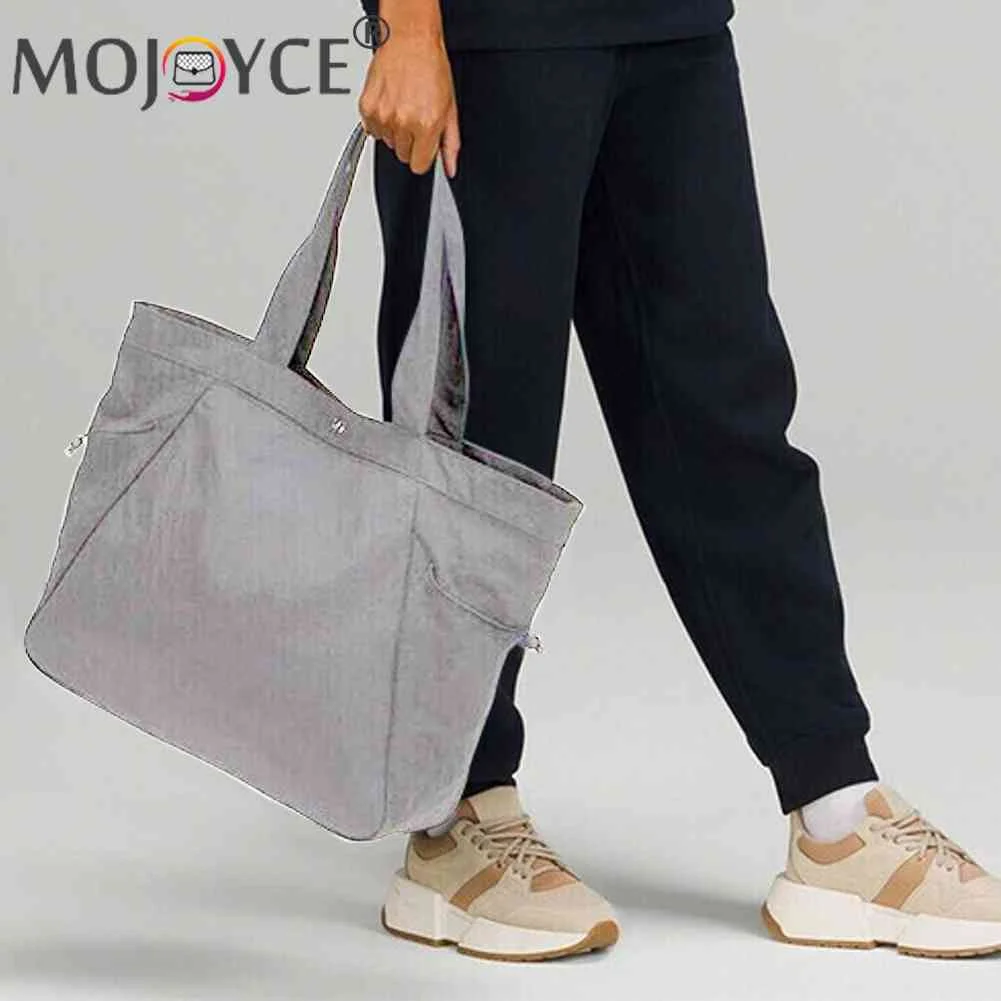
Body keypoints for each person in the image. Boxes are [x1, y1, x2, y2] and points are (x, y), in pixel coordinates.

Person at [356, 0, 1001, 963]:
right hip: (490, 38)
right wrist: (408, 28)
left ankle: (834, 807)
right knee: (478, 445)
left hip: (672, 28)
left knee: (727, 414)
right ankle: (454, 813)